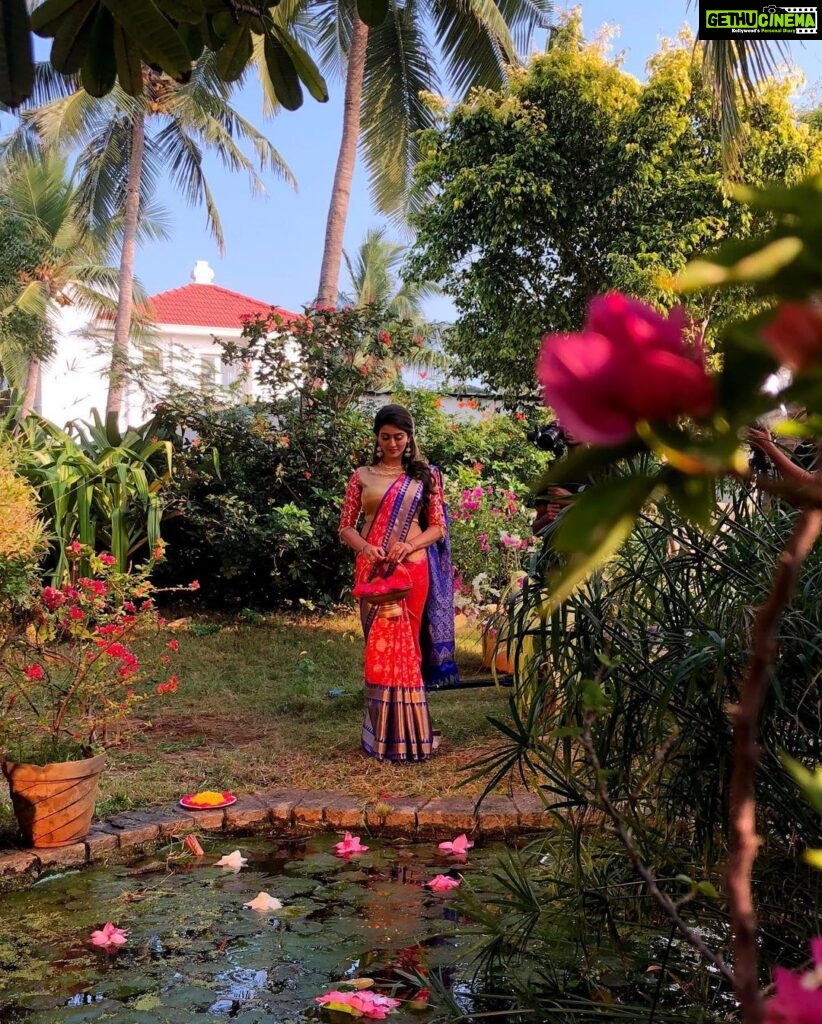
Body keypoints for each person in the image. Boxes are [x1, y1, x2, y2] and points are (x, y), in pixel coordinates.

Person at [338, 404, 459, 761]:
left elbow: (438, 526)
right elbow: (345, 526)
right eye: (386, 437)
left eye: (399, 437)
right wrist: (366, 547)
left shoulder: (425, 476)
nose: (392, 443)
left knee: (410, 644)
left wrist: (410, 544)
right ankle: (381, 730)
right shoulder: (361, 476)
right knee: (377, 648)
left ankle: (415, 729)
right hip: (372, 570)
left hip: (413, 568)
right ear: (376, 437)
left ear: (409, 439)